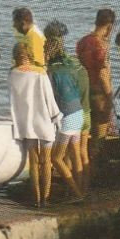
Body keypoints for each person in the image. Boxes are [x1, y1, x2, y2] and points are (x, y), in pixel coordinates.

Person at [8, 41, 63, 207]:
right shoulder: (40, 73)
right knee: (46, 161)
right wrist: (57, 118)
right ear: (30, 56)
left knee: (33, 161)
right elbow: (49, 99)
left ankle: (36, 198)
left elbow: (12, 102)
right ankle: (46, 199)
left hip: (26, 123)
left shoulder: (12, 74)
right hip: (44, 121)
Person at [45, 22, 92, 187]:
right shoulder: (75, 65)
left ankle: (75, 191)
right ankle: (83, 189)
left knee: (62, 156)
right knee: (78, 154)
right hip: (84, 111)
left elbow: (52, 96)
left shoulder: (54, 69)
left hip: (71, 113)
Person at [76, 8, 116, 144]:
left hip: (84, 92)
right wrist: (110, 96)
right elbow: (102, 73)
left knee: (85, 138)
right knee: (99, 139)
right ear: (110, 26)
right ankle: (96, 162)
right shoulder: (102, 45)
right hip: (99, 95)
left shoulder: (82, 42)